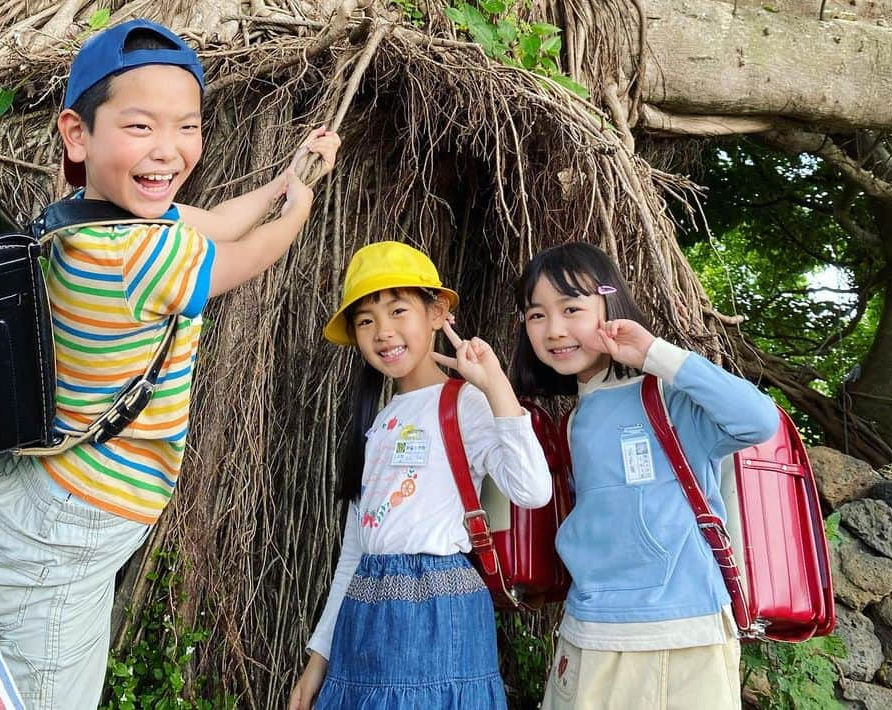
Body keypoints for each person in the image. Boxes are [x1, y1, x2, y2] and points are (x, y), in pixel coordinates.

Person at [0, 18, 340, 710]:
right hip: (70, 517)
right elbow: (245, 254)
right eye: (140, 128)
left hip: (51, 493)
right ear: (77, 134)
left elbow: (215, 220)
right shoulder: (135, 256)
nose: (168, 150)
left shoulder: (85, 217)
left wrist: (289, 176)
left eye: (187, 128)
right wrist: (299, 211)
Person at [511, 241, 779, 710]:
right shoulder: (574, 418)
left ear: (609, 305)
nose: (554, 329)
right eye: (536, 315)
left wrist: (655, 353)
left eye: (571, 308)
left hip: (680, 631)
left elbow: (757, 420)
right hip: (589, 627)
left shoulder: (667, 399)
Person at [289, 241, 552, 710]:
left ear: (436, 314)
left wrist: (494, 385)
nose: (383, 332)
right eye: (366, 320)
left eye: (397, 311)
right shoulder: (378, 421)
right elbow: (353, 552)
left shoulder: (465, 402)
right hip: (365, 615)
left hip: (440, 610)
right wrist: (317, 660)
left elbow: (532, 489)